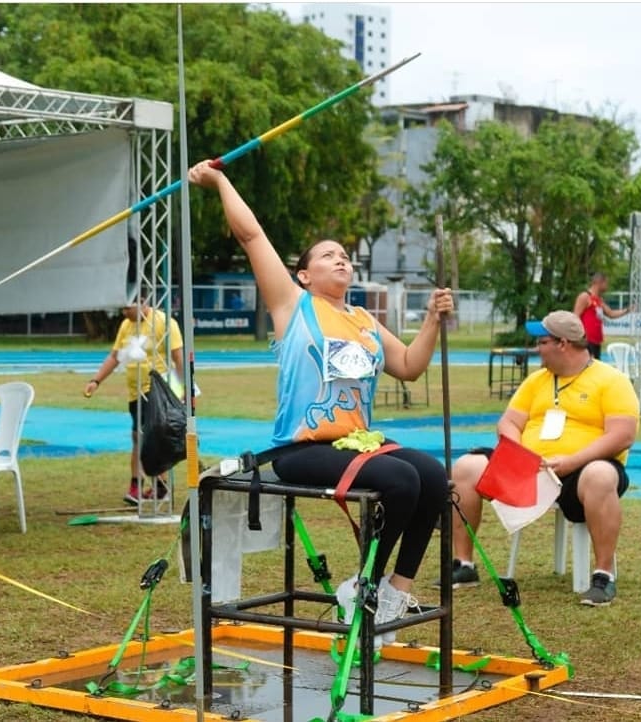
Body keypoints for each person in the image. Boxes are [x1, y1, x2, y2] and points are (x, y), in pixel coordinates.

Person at [188, 159, 453, 640]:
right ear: (304, 275)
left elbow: (411, 366)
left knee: (433, 477)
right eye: (328, 255)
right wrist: (220, 180)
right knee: (400, 480)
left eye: (345, 255)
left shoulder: (364, 320)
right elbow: (251, 237)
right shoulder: (293, 307)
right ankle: (364, 587)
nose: (341, 259)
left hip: (356, 443)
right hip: (302, 449)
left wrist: (433, 320)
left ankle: (391, 592)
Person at [443, 310, 639, 606]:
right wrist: (519, 453)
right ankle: (464, 565)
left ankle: (603, 576)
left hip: (581, 472)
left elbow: (622, 435)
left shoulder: (612, 381)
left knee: (600, 475)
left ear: (563, 343)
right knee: (467, 467)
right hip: (528, 468)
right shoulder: (536, 381)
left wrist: (572, 460)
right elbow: (507, 423)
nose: (537, 348)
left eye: (542, 341)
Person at [84, 299, 185, 505]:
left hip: (157, 391)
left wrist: (183, 389)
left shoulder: (164, 323)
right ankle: (148, 486)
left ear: (143, 302)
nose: (124, 312)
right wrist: (96, 380)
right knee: (138, 438)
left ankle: (151, 486)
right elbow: (115, 357)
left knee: (148, 438)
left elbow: (178, 358)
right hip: (135, 392)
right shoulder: (126, 325)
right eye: (122, 308)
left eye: (128, 307)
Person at [573, 272, 629, 359]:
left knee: (596, 368)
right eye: (606, 283)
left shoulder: (599, 300)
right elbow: (575, 317)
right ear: (600, 282)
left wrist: (627, 310)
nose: (607, 286)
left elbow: (611, 313)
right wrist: (579, 338)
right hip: (586, 340)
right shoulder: (585, 297)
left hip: (597, 341)